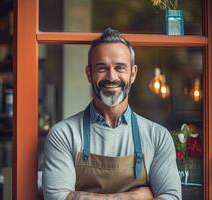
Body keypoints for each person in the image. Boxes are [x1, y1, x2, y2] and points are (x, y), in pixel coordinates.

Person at [42, 28, 181, 200]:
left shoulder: (158, 136)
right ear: (89, 73)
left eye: (120, 68)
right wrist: (138, 196)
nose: (111, 76)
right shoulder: (63, 134)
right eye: (102, 68)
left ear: (133, 73)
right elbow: (57, 197)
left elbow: (171, 197)